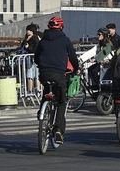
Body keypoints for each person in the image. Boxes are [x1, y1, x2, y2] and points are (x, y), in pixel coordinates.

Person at [35, 16, 80, 145]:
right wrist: (76, 69)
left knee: (46, 90)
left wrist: (41, 65)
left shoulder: (43, 39)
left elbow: (36, 57)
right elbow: (72, 57)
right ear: (61, 27)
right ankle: (59, 130)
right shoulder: (65, 40)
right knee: (61, 101)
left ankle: (41, 113)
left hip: (44, 73)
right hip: (59, 74)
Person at [20, 23, 41, 95]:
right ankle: (29, 90)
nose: (27, 31)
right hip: (27, 59)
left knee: (35, 75)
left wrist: (28, 47)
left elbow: (36, 49)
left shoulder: (35, 38)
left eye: (28, 30)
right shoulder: (26, 38)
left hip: (33, 59)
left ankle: (37, 90)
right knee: (29, 75)